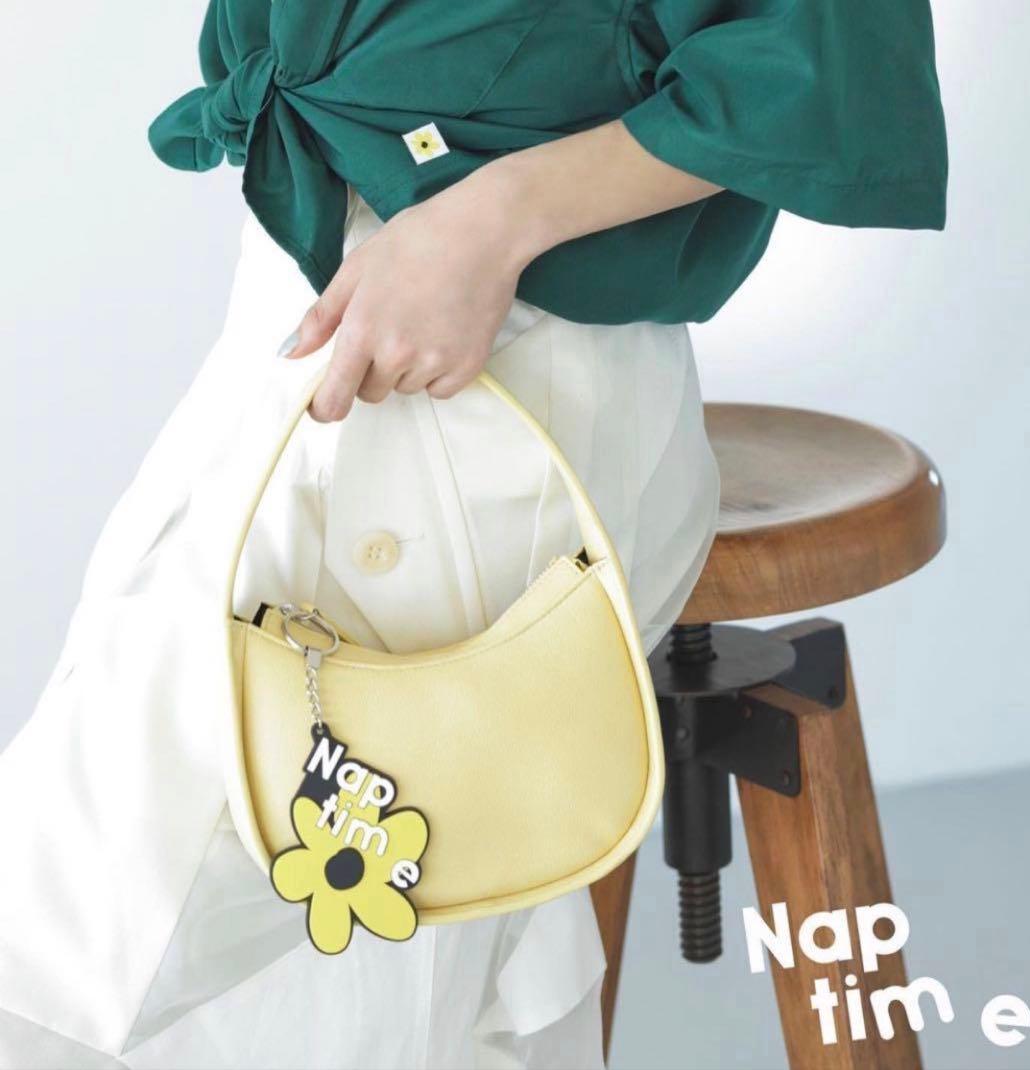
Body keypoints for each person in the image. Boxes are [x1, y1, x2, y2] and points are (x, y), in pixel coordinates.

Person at [0, 1, 948, 1067]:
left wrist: (489, 222)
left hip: (508, 347)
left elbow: (819, 56)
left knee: (90, 917)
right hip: (303, 304)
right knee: (365, 942)